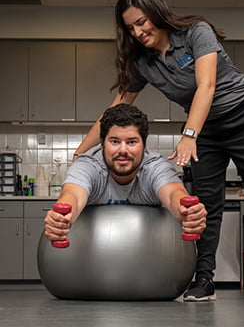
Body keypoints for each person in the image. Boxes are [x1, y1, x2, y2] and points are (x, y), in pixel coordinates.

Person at [73, 0, 244, 302]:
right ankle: (204, 278)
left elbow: (206, 86)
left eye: (141, 22)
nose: (137, 32)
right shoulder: (144, 63)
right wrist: (81, 152)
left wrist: (189, 135)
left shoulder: (197, 32)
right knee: (204, 205)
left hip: (243, 119)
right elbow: (115, 109)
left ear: (155, 12)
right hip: (206, 130)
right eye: (130, 28)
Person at [44, 103, 207, 257]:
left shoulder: (154, 167)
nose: (123, 150)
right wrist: (63, 219)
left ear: (144, 146)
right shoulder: (88, 165)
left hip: (148, 268)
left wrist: (186, 213)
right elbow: (73, 195)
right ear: (102, 145)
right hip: (87, 267)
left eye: (132, 142)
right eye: (115, 141)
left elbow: (173, 193)